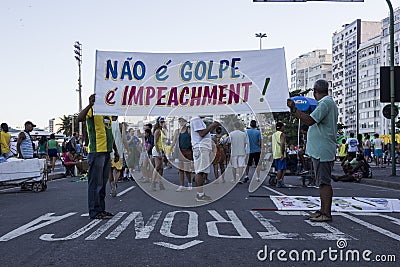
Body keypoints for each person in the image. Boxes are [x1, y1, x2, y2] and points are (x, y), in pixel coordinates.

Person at [287, 79, 338, 222]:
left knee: (324, 182)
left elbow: (310, 120)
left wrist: (294, 110)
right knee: (321, 181)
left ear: (315, 91)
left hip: (322, 150)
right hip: (321, 150)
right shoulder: (328, 103)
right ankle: (322, 210)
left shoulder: (325, 103)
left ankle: (326, 213)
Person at [77, 94, 119, 220]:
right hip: (96, 152)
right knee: (95, 183)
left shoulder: (107, 114)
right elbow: (79, 118)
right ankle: (94, 211)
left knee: (102, 183)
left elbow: (109, 134)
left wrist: (116, 151)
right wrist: (90, 104)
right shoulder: (93, 110)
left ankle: (101, 209)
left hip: (106, 152)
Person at [190, 116, 220, 202]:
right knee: (200, 171)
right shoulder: (196, 119)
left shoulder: (198, 120)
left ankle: (201, 193)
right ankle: (200, 194)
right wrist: (213, 125)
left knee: (202, 171)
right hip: (201, 148)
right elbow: (202, 133)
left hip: (202, 148)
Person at [171, 117, 193, 191]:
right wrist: (170, 149)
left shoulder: (188, 130)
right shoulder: (177, 131)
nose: (181, 122)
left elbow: (192, 140)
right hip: (179, 151)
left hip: (188, 151)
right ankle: (182, 185)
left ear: (185, 122)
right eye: (179, 121)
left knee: (187, 169)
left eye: (182, 121)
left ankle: (190, 184)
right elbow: (174, 141)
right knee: (180, 169)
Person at [109, 116, 125, 197]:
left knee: (110, 170)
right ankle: (115, 182)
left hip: (109, 150)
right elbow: (123, 138)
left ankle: (112, 185)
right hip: (119, 149)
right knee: (118, 169)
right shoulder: (120, 126)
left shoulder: (107, 124)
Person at [151, 117, 167, 191]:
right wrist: (159, 152)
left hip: (161, 150)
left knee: (161, 168)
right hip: (157, 150)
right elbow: (155, 142)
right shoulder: (157, 131)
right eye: (161, 122)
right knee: (157, 167)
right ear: (158, 122)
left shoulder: (162, 130)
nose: (162, 123)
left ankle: (160, 183)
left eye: (163, 122)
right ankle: (153, 183)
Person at [272, 122, 287, 187]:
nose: (284, 128)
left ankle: (280, 181)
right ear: (281, 127)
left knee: (279, 168)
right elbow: (282, 144)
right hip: (281, 153)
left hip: (275, 153)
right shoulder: (282, 134)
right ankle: (279, 182)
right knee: (281, 168)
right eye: (283, 126)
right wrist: (282, 153)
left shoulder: (274, 135)